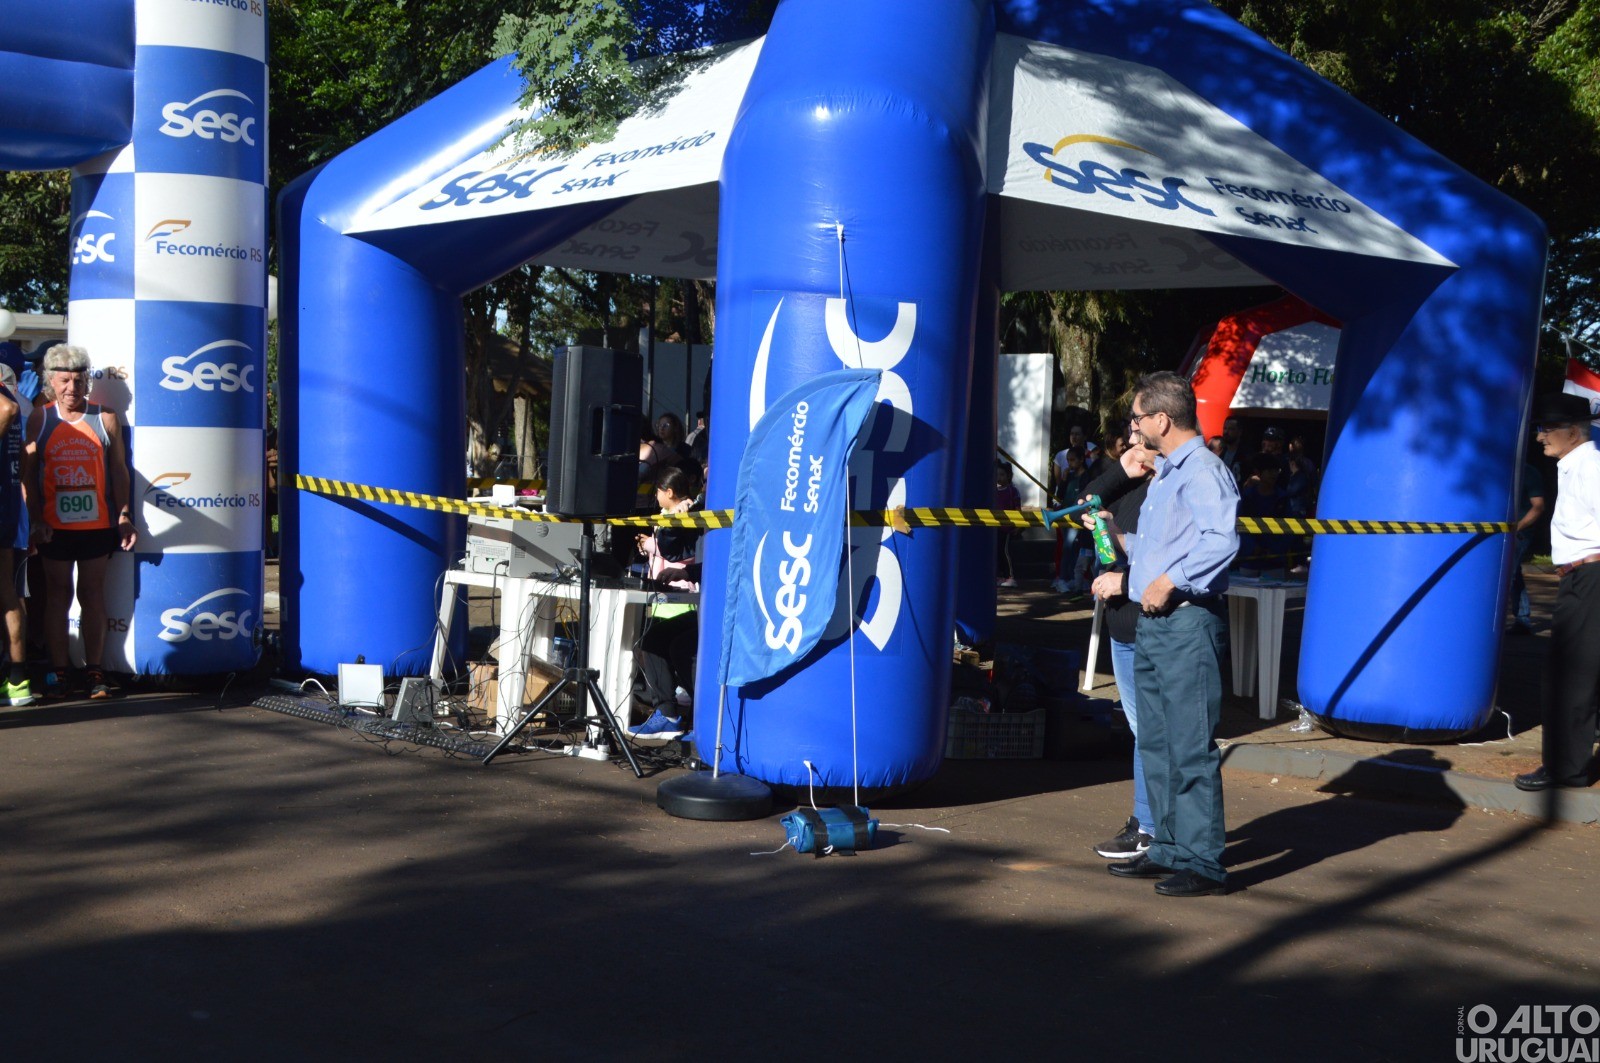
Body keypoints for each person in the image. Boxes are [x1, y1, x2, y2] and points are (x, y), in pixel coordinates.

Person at [1104, 371, 1239, 896]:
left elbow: (1220, 541)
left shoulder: (1203, 471)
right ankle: (1166, 847)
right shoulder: (1164, 474)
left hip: (1186, 621)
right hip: (1154, 623)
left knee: (1189, 746)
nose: (1134, 427)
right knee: (1157, 742)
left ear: (1162, 419)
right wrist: (1124, 548)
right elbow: (1163, 548)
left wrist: (1168, 580)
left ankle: (1203, 862)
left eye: (1137, 418)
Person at [21, 345, 136, 700]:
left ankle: (95, 670)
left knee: (92, 595)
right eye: (64, 380)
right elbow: (28, 476)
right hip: (54, 526)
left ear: (86, 381)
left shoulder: (106, 418)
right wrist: (35, 520)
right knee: (58, 596)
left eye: (78, 379)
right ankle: (59, 671)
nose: (72, 387)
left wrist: (124, 516)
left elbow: (119, 471)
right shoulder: (41, 418)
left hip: (97, 525)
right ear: (51, 382)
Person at [1515, 393, 1600, 792]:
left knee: (1570, 675)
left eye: (1545, 429)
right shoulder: (1574, 464)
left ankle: (1567, 769)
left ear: (1572, 431)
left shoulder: (1590, 466)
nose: (1539, 437)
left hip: (1590, 576)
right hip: (1581, 576)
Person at [1086, 428, 1160, 858]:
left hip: (1152, 623)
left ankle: (1149, 826)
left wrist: (1126, 581)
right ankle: (1147, 824)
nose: (1132, 438)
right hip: (1122, 627)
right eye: (1129, 433)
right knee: (1143, 731)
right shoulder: (1129, 481)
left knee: (1152, 732)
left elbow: (1178, 561)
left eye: (1139, 429)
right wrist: (1119, 473)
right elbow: (1081, 506)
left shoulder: (1174, 487)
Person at [630, 463, 703, 739]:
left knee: (681, 648)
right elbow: (681, 555)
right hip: (681, 593)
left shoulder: (695, 513)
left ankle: (702, 716)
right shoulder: (674, 513)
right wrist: (685, 571)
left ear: (668, 491)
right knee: (650, 639)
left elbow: (677, 550)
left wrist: (663, 536)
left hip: (693, 605)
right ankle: (667, 713)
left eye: (658, 491)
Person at [0, 364, 30, 706]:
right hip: (7, 504)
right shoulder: (12, 394)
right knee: (7, 591)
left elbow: (6, 411)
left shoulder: (6, 400)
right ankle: (17, 679)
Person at [1235, 452, 1291, 577]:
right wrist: (1252, 548)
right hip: (1249, 563)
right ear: (1258, 472)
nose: (1274, 474)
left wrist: (1274, 550)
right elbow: (1239, 527)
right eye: (1269, 470)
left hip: (1275, 563)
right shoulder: (1247, 497)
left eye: (1276, 470)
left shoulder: (1283, 498)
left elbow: (1289, 529)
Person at [1508, 462, 1546, 635]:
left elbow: (1538, 506)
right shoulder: (1501, 468)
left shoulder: (1528, 472)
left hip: (1519, 533)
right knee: (1514, 575)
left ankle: (1494, 623)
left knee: (1508, 574)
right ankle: (1522, 619)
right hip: (1504, 532)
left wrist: (1518, 527)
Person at [995, 460, 1021, 588]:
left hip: (1007, 527)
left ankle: (1010, 576)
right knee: (997, 551)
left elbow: (1017, 509)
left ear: (1008, 476)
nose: (999, 477)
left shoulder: (1012, 491)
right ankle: (999, 575)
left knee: (1005, 551)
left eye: (1002, 474)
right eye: (997, 474)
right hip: (995, 526)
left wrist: (1017, 525)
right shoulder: (993, 491)